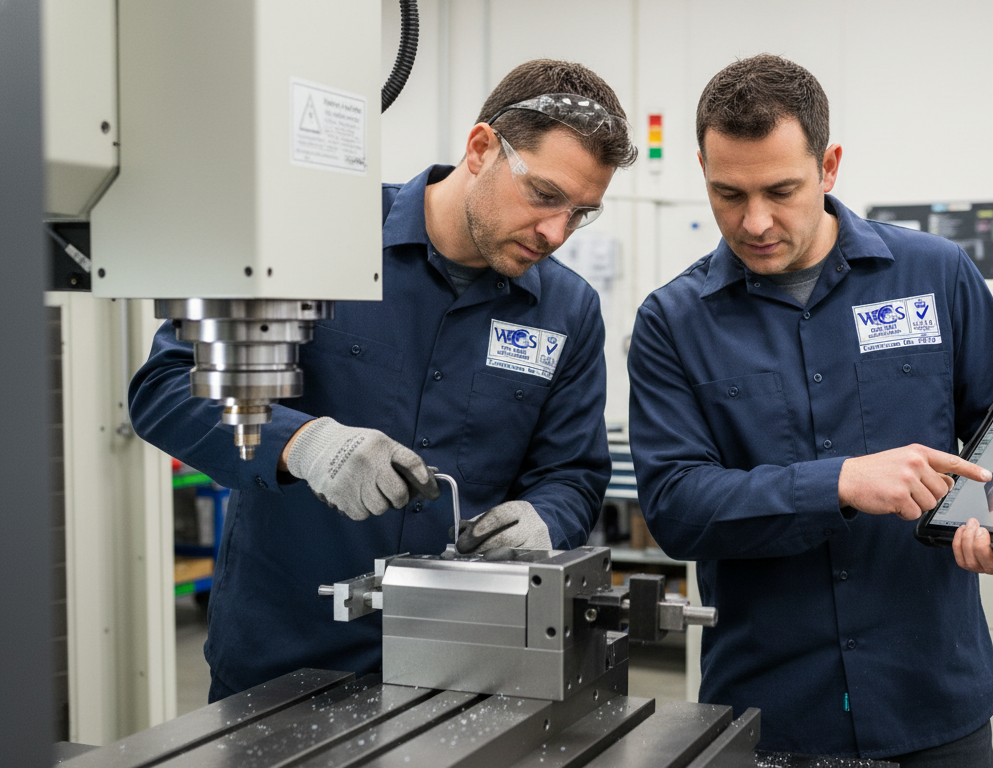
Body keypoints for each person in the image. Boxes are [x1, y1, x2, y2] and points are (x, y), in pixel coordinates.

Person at [130, 59, 637, 702]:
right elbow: (171, 386)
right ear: (481, 149)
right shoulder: (314, 238)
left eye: (580, 214)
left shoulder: (568, 311)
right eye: (544, 195)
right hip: (283, 652)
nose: (556, 232)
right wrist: (304, 444)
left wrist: (547, 520)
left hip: (473, 661)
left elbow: (573, 472)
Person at [626, 54, 993, 764]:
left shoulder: (935, 275)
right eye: (728, 193)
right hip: (772, 711)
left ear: (830, 165)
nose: (755, 221)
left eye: (781, 190)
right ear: (701, 167)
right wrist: (838, 482)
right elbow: (675, 507)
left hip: (932, 700)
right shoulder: (673, 321)